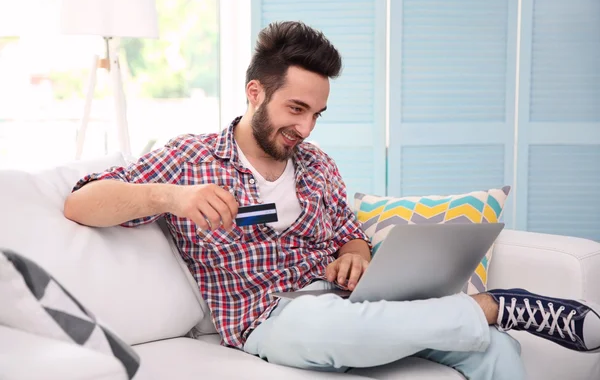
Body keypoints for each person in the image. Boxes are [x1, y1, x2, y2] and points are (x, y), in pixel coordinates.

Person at [64, 21, 600, 379]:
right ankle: (494, 306)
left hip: (351, 299)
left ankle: (490, 321)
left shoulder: (318, 165)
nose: (305, 126)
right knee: (338, 330)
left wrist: (357, 254)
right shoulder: (192, 158)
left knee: (496, 350)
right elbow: (81, 203)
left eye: (316, 113)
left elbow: (349, 231)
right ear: (255, 92)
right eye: (296, 108)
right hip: (268, 317)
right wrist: (173, 198)